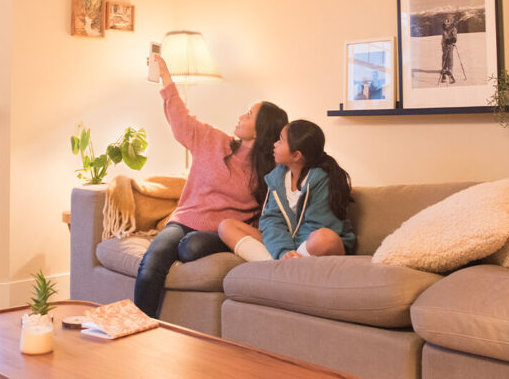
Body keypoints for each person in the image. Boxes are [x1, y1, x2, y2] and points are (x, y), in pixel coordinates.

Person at [133, 54, 288, 317]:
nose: (241, 116)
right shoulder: (213, 140)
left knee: (190, 247)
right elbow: (181, 121)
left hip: (221, 232)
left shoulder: (271, 171)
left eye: (249, 115)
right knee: (152, 263)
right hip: (185, 220)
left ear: (261, 129)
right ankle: (139, 325)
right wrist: (166, 77)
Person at [218, 119, 356, 261]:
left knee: (325, 239)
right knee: (226, 226)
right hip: (285, 244)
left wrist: (293, 250)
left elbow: (318, 226)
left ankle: (286, 264)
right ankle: (278, 265)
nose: (275, 144)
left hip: (309, 245)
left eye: (281, 140)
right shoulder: (276, 178)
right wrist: (283, 250)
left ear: (296, 156)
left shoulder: (322, 179)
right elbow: (272, 221)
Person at [439, 15, 459, 84]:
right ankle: (444, 69)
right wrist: (447, 41)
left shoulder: (453, 28)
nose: (446, 23)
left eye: (448, 21)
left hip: (450, 45)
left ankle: (449, 69)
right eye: (446, 21)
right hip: (444, 44)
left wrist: (453, 39)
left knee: (450, 56)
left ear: (451, 21)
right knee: (445, 56)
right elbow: (444, 36)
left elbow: (454, 36)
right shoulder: (444, 28)